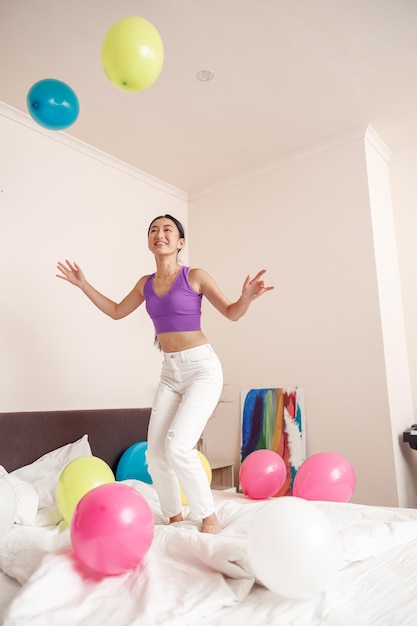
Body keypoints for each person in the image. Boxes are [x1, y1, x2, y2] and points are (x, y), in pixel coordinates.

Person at [56, 214, 273, 534]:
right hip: (171, 373)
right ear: (149, 242)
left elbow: (231, 313)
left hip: (202, 369)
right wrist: (84, 285)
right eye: (153, 230)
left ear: (180, 242)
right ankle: (173, 516)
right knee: (156, 453)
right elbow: (117, 311)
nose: (160, 234)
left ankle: (208, 518)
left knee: (178, 447)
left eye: (167, 230)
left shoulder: (195, 276)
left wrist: (246, 298)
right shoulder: (145, 284)